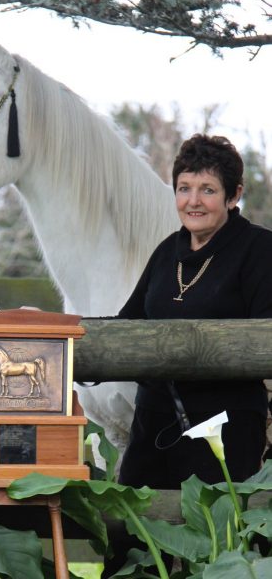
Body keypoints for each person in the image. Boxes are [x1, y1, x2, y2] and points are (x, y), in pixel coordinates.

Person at [102, 134, 272, 577]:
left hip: (228, 431)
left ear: (234, 196)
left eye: (208, 190)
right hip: (154, 426)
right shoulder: (166, 254)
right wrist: (70, 338)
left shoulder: (260, 250)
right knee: (130, 542)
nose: (193, 201)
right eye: (184, 188)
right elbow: (127, 325)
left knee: (221, 548)